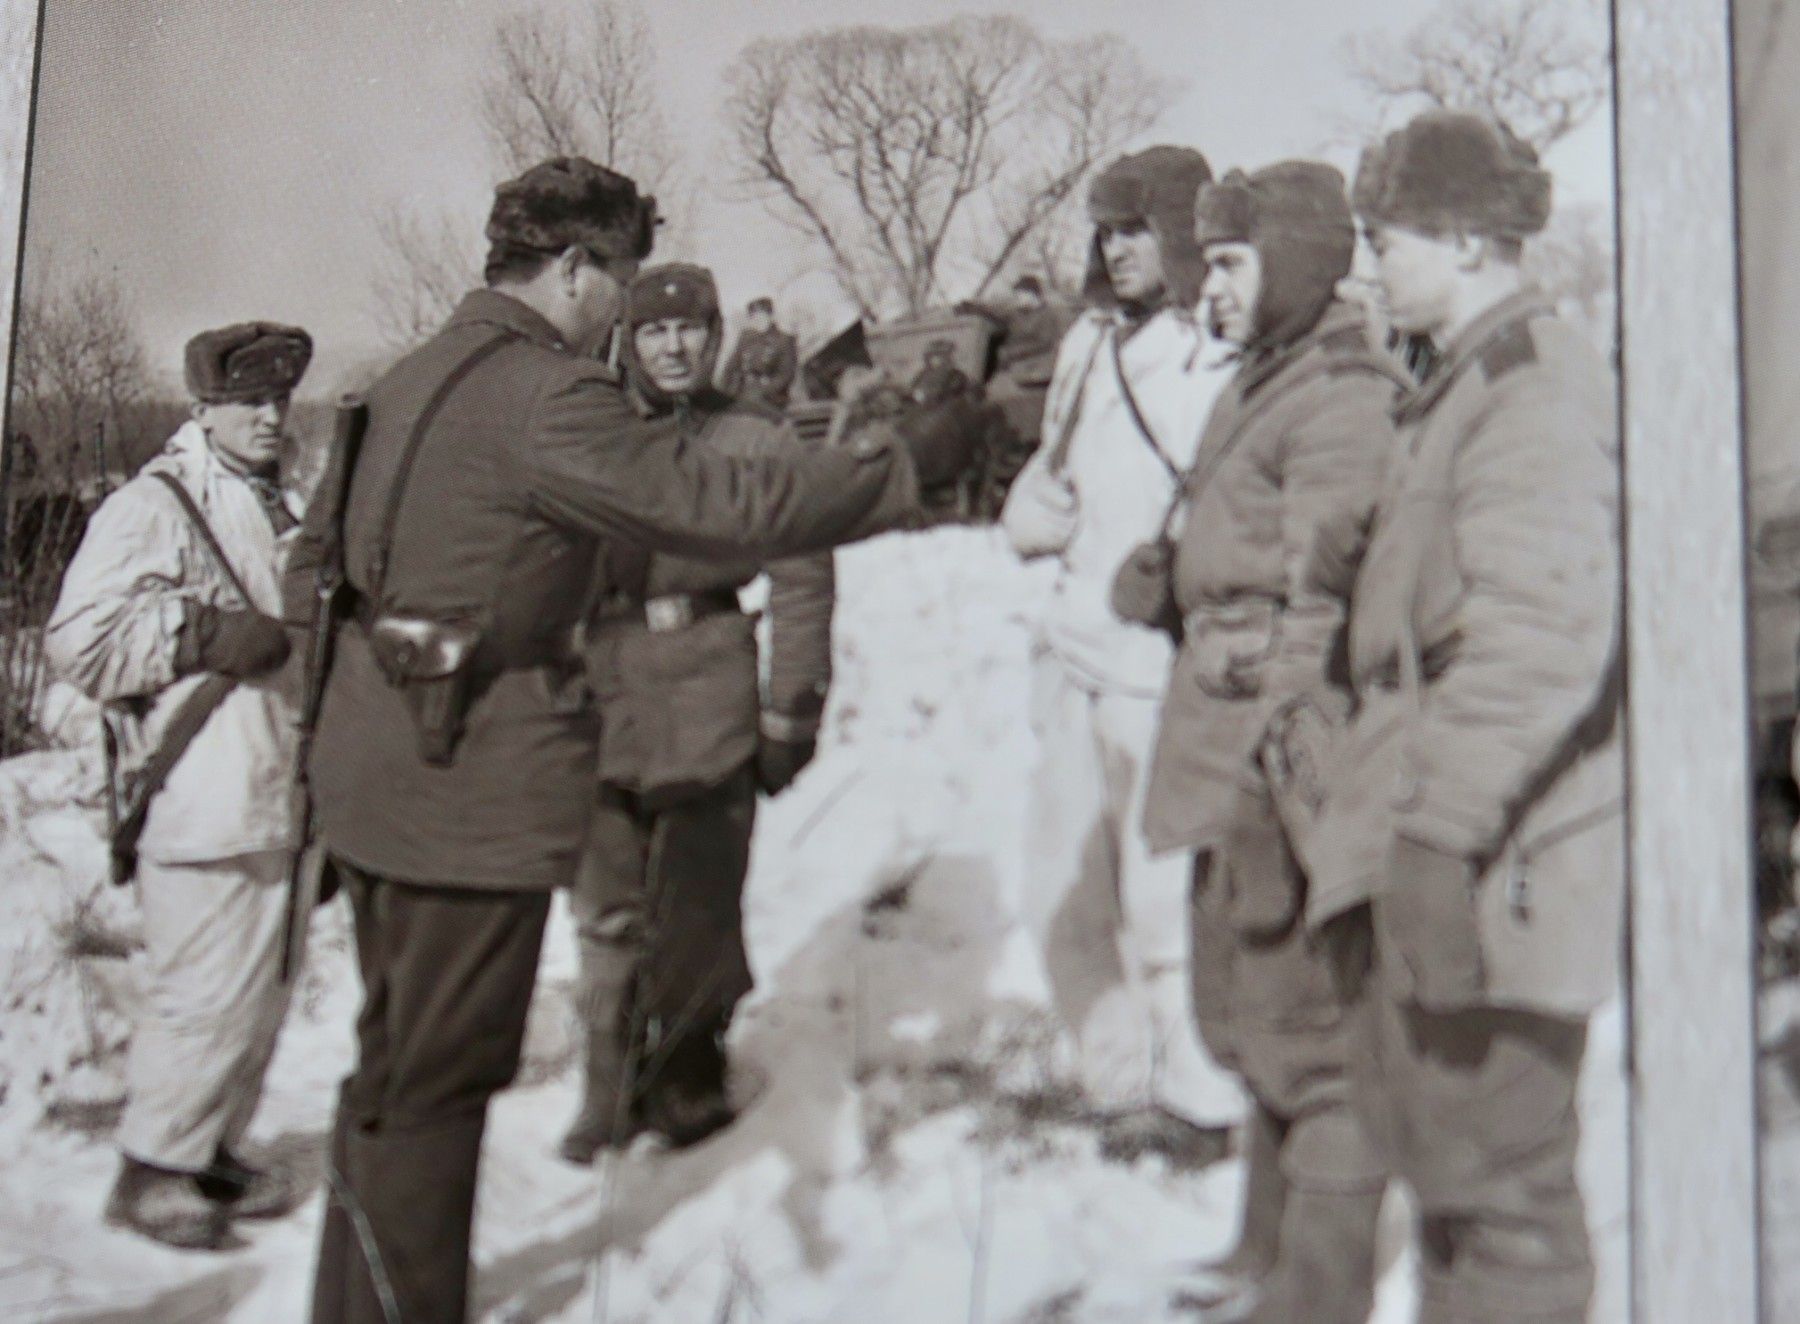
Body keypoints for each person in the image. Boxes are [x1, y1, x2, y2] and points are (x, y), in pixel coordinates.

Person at [292, 155, 978, 1324]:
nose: (624, 311)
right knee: (439, 1089)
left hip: (375, 777)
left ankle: (353, 1307)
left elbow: (314, 573)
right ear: (574, 267)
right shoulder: (549, 393)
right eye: (621, 282)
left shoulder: (408, 376)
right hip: (466, 794)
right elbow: (725, 507)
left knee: (390, 1076)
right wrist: (907, 463)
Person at [1308, 111, 1623, 1324]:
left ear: (1464, 236)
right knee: (1453, 1183)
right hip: (1466, 857)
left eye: (1387, 239)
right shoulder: (1462, 388)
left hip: (1500, 867)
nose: (1372, 265)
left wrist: (1435, 835)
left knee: (1504, 1204)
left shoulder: (1527, 389)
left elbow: (1537, 643)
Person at [1115, 161, 1408, 1323]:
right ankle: (1262, 1248)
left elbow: (1329, 603)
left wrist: (1305, 787)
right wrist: (1175, 585)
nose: (1212, 288)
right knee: (1248, 1010)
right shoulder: (1271, 377)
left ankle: (1319, 1291)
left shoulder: (1342, 394)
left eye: (1232, 262)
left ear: (1293, 262)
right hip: (1225, 733)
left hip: (1279, 745)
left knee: (1318, 1038)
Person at [46, 322, 315, 1251]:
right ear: (203, 407)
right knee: (201, 993)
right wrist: (198, 635)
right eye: (249, 401)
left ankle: (208, 1150)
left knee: (257, 992)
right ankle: (152, 1174)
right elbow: (77, 640)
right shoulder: (156, 503)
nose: (269, 415)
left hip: (272, 788)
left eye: (279, 399)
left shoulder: (276, 500)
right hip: (200, 794)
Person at [558, 262, 836, 1161]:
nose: (673, 347)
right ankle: (603, 1085)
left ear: (715, 337)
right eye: (652, 331)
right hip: (598, 694)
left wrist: (790, 710)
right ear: (627, 341)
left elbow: (801, 578)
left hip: (709, 694)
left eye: (689, 330)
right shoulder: (585, 435)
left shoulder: (753, 439)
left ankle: (683, 1081)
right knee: (604, 909)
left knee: (700, 903)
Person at [999, 145, 1243, 1162]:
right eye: (1106, 228)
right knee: (1058, 883)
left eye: (1138, 227)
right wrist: (1031, 505)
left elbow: (1232, 500)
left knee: (1163, 901)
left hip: (1153, 666)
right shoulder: (1086, 345)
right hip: (1067, 649)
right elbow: (1051, 472)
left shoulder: (1214, 355)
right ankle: (1113, 1077)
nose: (1117, 248)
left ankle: (1197, 1097)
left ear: (1184, 233)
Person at [719, 295, 799, 409]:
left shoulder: (784, 340)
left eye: (761, 316)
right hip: (743, 394)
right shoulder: (746, 337)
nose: (757, 321)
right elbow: (731, 367)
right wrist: (723, 392)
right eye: (754, 317)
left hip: (771, 399)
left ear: (771, 316)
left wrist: (761, 393)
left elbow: (785, 376)